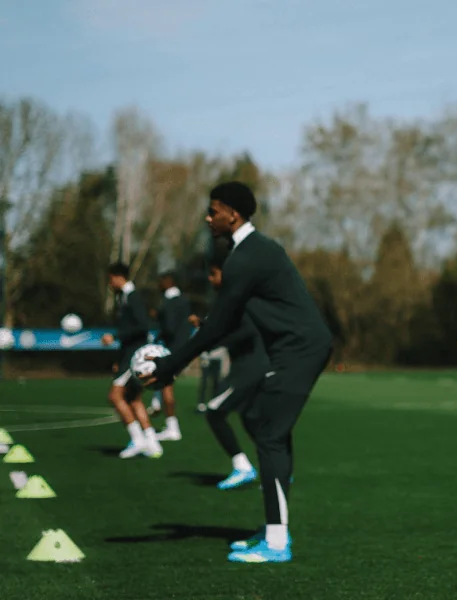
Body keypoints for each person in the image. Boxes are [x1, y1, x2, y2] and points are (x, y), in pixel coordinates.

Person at [140, 181, 333, 564]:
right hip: (291, 350)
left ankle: (277, 542)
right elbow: (227, 319)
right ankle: (274, 528)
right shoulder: (251, 253)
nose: (207, 217)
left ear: (234, 213)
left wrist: (169, 366)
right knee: (264, 423)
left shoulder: (246, 257)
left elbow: (218, 326)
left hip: (300, 351)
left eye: (213, 211)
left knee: (268, 433)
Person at [202, 256, 264, 490]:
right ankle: (278, 469)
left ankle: (243, 467)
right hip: (253, 366)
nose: (210, 279)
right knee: (251, 420)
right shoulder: (235, 297)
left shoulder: (237, 297)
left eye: (213, 274)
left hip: (248, 369)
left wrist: (216, 336)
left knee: (214, 412)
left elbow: (248, 330)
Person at [102, 262, 164, 459]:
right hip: (128, 355)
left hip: (134, 356)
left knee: (115, 396)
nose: (109, 284)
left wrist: (116, 336)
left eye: (110, 279)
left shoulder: (132, 297)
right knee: (134, 399)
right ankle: (152, 443)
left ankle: (137, 440)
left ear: (118, 277)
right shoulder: (125, 297)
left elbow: (142, 327)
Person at [148, 271, 191, 440]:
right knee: (165, 382)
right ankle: (157, 405)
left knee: (167, 385)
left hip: (172, 349)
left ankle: (173, 428)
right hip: (183, 347)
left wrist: (159, 318)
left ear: (168, 282)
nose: (158, 285)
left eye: (160, 281)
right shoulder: (184, 300)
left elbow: (170, 327)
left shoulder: (169, 302)